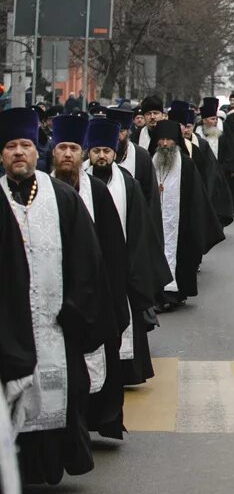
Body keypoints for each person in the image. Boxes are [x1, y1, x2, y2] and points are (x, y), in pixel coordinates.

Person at [0, 108, 107, 486]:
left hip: (57, 323)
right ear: (1, 155)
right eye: (10, 146)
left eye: (25, 145)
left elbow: (87, 260)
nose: (18, 152)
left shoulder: (61, 197)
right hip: (6, 326)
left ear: (35, 151)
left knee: (58, 393)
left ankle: (46, 469)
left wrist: (75, 310)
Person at [48, 115, 131, 442]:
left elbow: (113, 249)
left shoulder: (96, 191)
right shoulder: (40, 189)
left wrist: (113, 298)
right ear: (53, 152)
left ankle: (95, 421)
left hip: (93, 295)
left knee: (94, 364)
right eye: (62, 148)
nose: (68, 154)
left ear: (81, 153)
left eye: (73, 148)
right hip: (52, 295)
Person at [83, 118, 171, 388]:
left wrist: (136, 270)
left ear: (113, 152)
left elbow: (140, 229)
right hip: (87, 267)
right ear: (89, 152)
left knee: (124, 320)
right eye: (96, 151)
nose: (101, 156)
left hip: (121, 266)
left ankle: (123, 372)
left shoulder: (128, 184)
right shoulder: (77, 182)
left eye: (106, 151)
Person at [151, 120, 225, 309]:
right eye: (161, 140)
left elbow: (197, 200)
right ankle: (158, 293)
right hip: (154, 224)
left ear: (176, 141)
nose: (165, 144)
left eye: (169, 140)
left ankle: (176, 295)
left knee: (180, 257)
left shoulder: (187, 165)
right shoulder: (149, 162)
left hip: (181, 224)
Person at [197, 97, 234, 220]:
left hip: (220, 171)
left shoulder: (223, 130)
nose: (215, 121)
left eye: (216, 119)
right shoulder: (197, 132)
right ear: (204, 120)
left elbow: (231, 150)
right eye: (212, 119)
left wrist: (228, 167)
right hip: (201, 172)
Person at [104, 108, 156, 205]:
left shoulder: (142, 156)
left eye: (121, 131)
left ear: (128, 132)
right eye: (114, 131)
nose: (117, 135)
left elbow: (149, 194)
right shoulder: (100, 155)